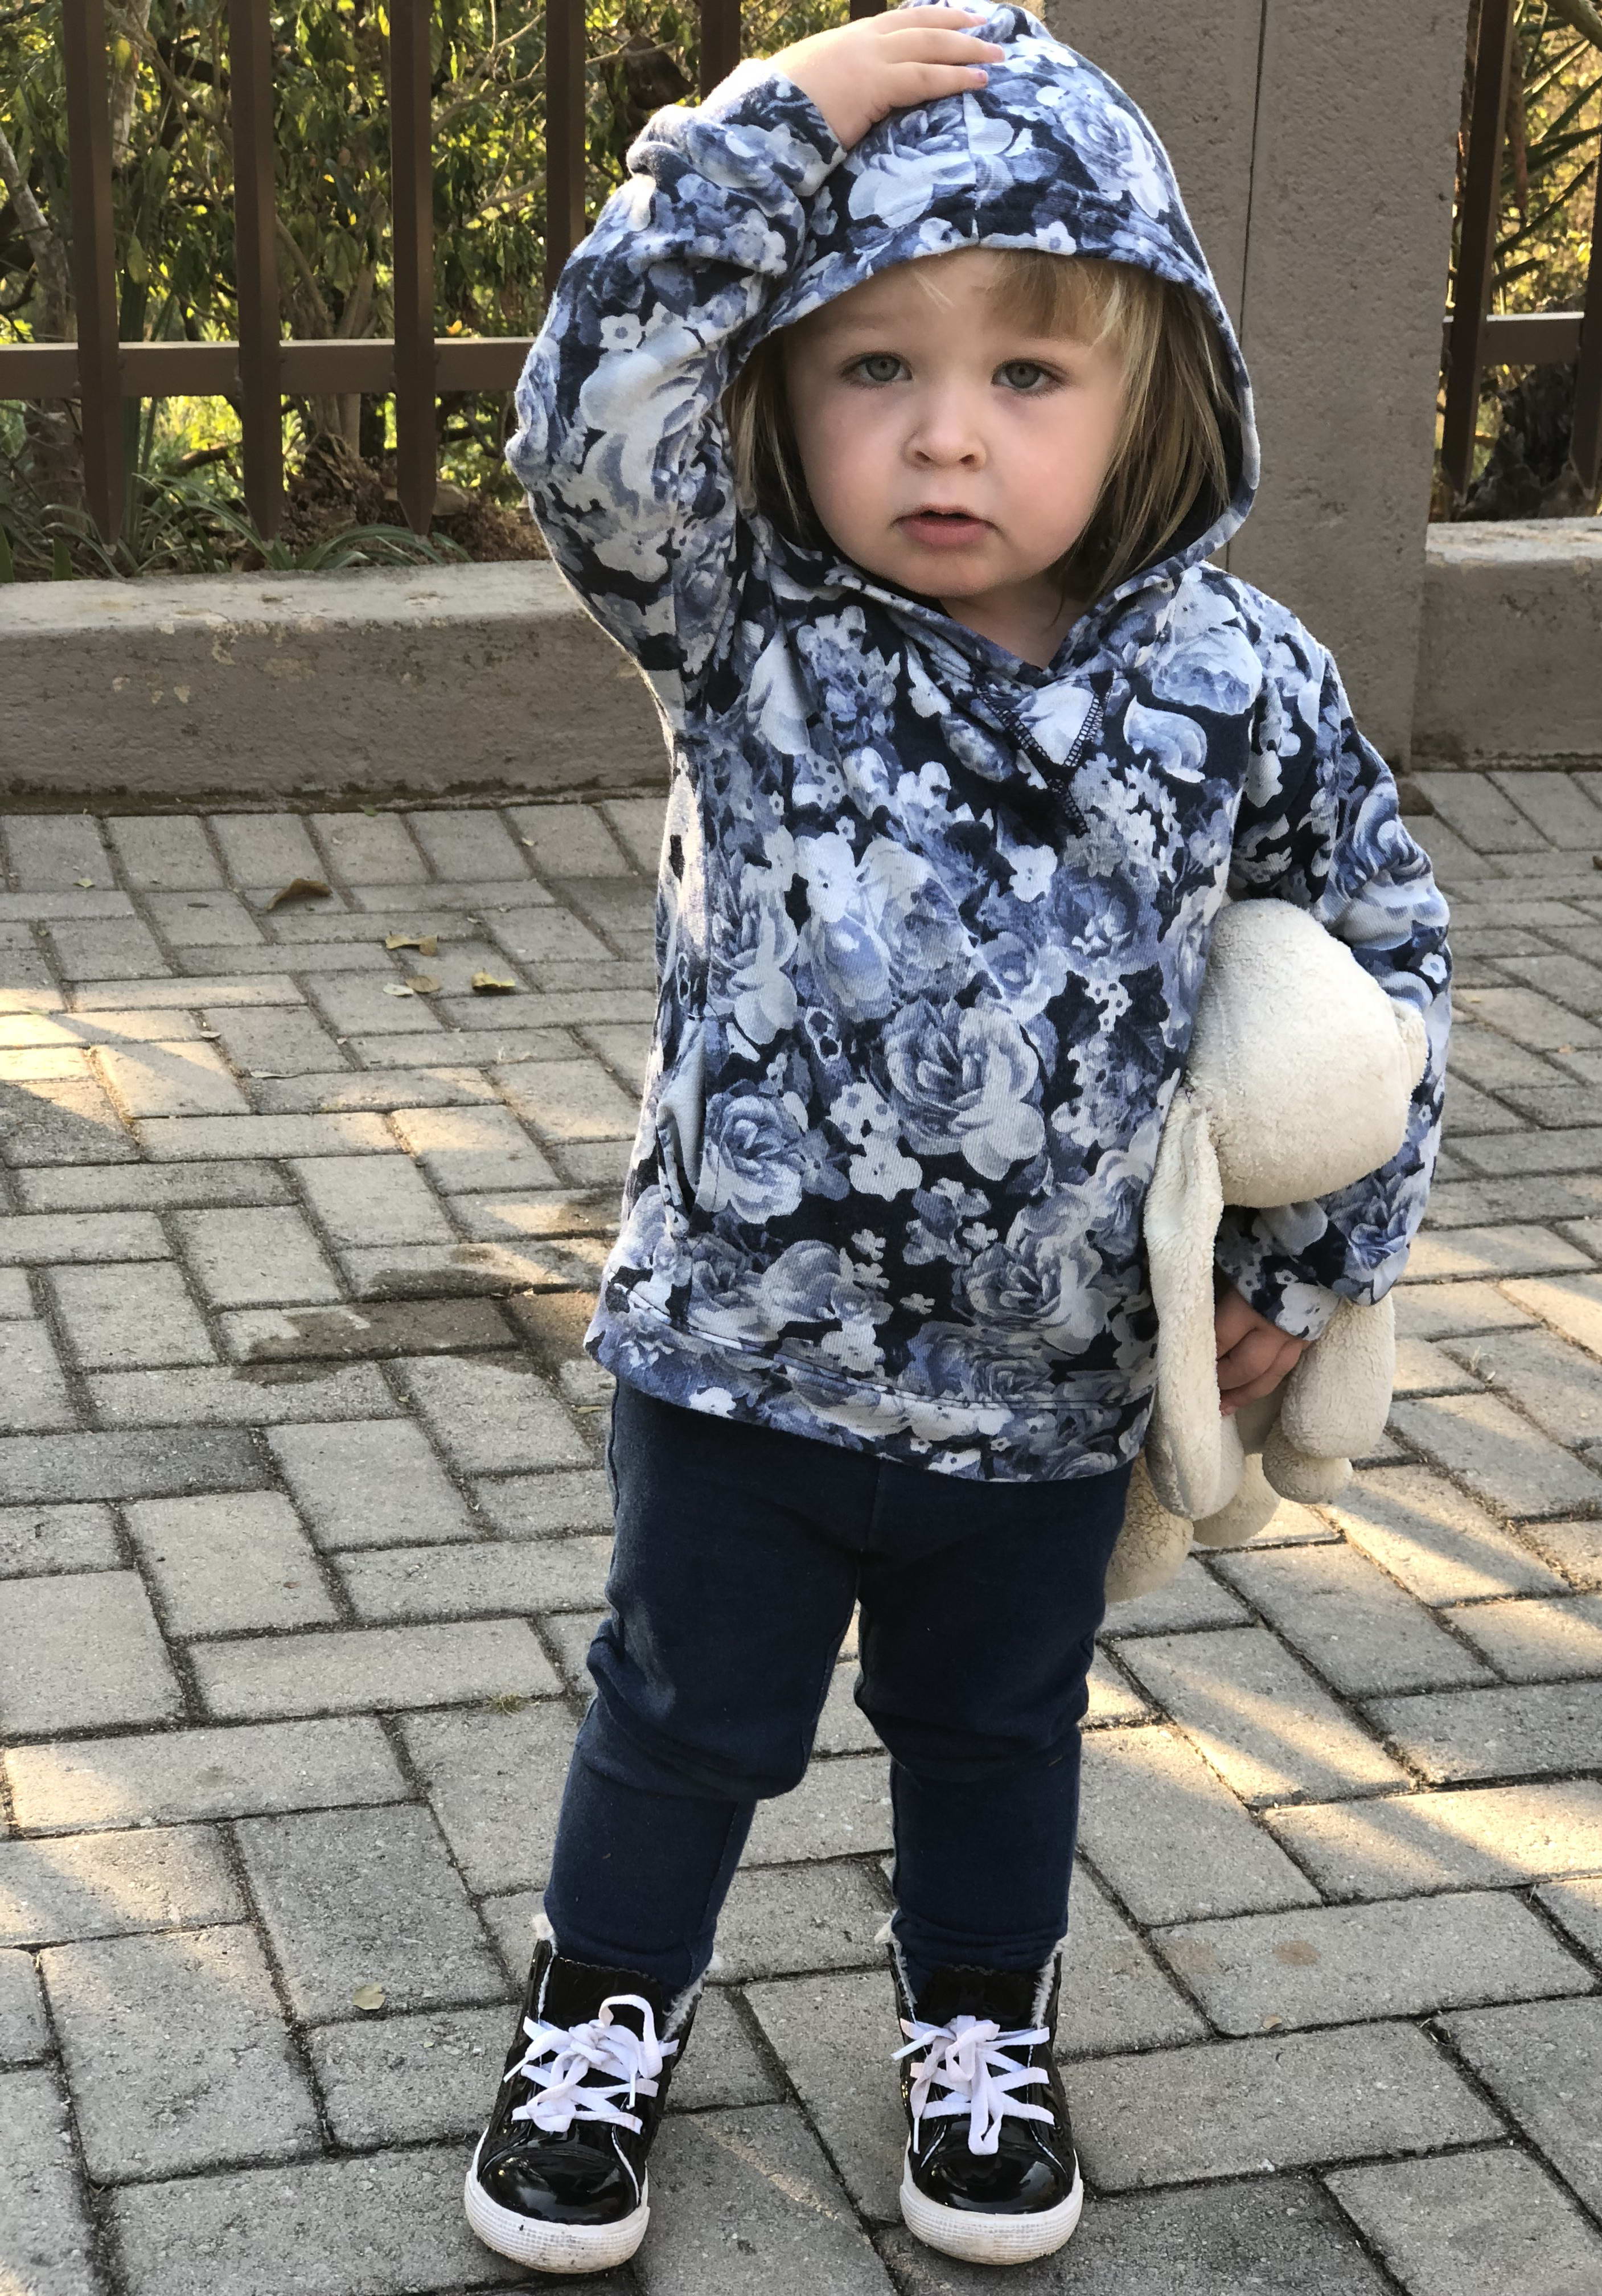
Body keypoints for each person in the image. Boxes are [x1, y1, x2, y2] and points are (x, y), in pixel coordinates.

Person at [467, 2, 1451, 2273]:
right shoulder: (745, 626)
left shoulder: (1236, 681)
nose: (944, 433)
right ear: (779, 389)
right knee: (679, 1718)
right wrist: (765, 130)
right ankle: (602, 2011)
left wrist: (1318, 1262)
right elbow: (586, 425)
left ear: (1152, 386)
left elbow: (1380, 953)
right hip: (743, 1364)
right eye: (871, 366)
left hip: (1052, 1388)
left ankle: (981, 2026)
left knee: (999, 1733)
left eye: (1026, 372)